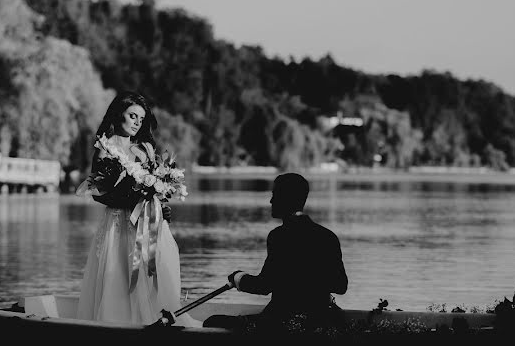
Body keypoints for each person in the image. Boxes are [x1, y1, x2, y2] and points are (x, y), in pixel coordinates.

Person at [76, 91, 195, 327]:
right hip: (119, 223)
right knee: (119, 275)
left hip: (149, 222)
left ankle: (156, 318)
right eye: (132, 116)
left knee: (153, 273)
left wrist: (160, 205)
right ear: (118, 113)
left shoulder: (146, 149)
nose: (137, 123)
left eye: (140, 119)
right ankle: (117, 324)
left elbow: (155, 186)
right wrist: (127, 200)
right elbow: (98, 194)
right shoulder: (105, 149)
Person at [204, 173, 348, 330]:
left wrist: (238, 277)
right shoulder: (328, 236)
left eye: (275, 195)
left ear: (285, 198)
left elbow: (264, 286)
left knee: (212, 321)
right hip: (320, 320)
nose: (271, 201)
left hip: (282, 323)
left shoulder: (279, 236)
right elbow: (341, 286)